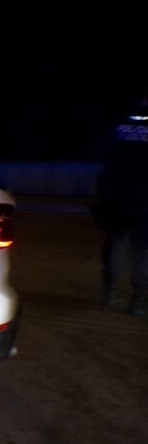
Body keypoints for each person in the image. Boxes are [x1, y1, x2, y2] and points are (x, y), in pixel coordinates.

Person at [98, 95, 148, 316]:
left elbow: (103, 159)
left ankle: (112, 293)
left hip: (118, 198)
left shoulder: (116, 127)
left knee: (118, 246)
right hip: (144, 201)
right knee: (142, 252)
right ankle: (139, 300)